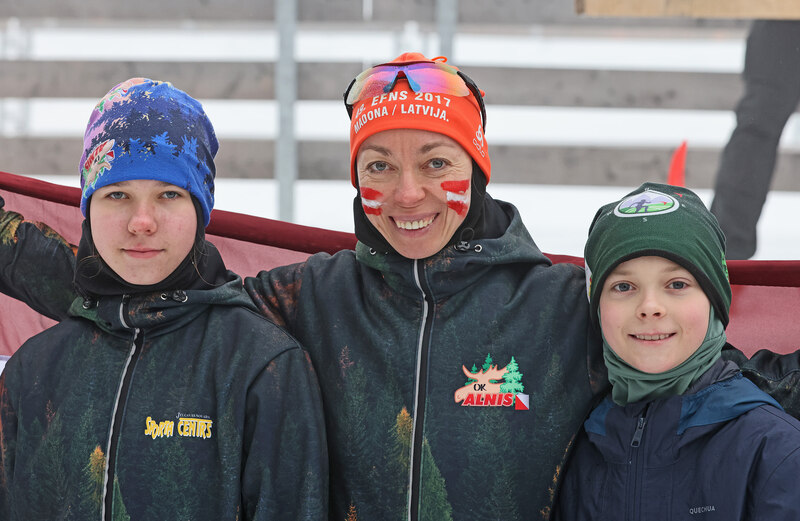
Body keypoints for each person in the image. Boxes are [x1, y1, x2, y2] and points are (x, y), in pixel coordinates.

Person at [0, 55, 799, 521]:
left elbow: (698, 362)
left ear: (476, 169)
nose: (407, 192)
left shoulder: (559, 305)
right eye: (379, 165)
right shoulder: (311, 298)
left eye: (436, 162)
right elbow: (160, 295)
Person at [0, 78, 327, 520]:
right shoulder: (32, 370)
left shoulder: (261, 364)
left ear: (200, 208)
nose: (142, 221)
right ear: (88, 208)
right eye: (117, 194)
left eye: (169, 194)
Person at [556, 183, 800, 519]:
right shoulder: (566, 450)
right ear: (597, 308)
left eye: (677, 284)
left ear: (715, 301)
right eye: (623, 286)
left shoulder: (775, 452)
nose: (649, 307)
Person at [711, 20, 800, 259]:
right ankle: (726, 253)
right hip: (783, 19)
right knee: (755, 130)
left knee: (755, 131)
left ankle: (727, 249)